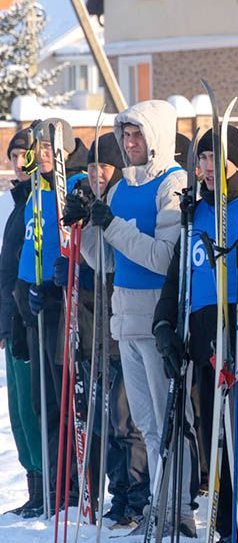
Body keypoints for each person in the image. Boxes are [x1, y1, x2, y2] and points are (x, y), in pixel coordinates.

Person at [76, 100, 195, 535]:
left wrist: (112, 225)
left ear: (157, 137)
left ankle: (179, 505)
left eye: (138, 135)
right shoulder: (122, 185)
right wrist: (89, 223)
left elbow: (164, 258)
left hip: (158, 318)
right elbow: (106, 261)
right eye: (126, 136)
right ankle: (159, 502)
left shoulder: (173, 182)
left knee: (169, 420)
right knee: (145, 422)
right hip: (124, 317)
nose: (130, 144)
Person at [153, 126, 238, 542]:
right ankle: (225, 524)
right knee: (212, 436)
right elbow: (177, 276)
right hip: (202, 333)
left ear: (237, 162)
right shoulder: (195, 212)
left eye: (215, 160)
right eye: (201, 159)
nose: (206, 168)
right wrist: (164, 324)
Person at [60, 132, 151, 527]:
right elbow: (94, 261)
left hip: (125, 325)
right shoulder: (92, 199)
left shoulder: (123, 203)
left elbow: (121, 260)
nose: (97, 175)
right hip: (98, 329)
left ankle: (137, 496)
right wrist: (79, 220)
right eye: (93, 167)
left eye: (104, 168)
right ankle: (119, 496)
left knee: (125, 420)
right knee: (107, 423)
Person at [14, 118, 86, 512]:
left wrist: (59, 281)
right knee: (42, 401)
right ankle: (51, 487)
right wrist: (24, 291)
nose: (40, 155)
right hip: (34, 301)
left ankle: (74, 485)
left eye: (48, 148)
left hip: (63, 303)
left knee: (64, 398)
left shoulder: (72, 187)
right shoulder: (34, 192)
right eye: (36, 148)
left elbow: (76, 243)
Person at [1, 128, 44, 517]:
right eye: (13, 154)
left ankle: (49, 486)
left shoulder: (41, 200)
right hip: (12, 319)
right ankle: (33, 485)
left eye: (24, 154)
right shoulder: (16, 204)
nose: (18, 161)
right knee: (16, 411)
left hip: (34, 317)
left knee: (33, 408)